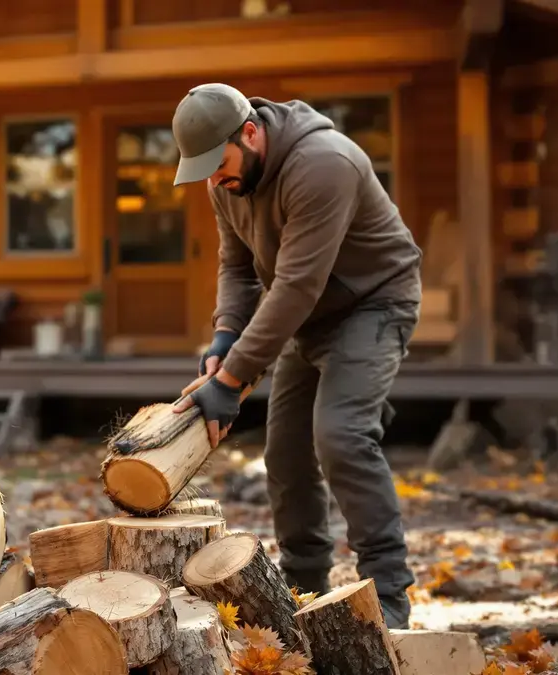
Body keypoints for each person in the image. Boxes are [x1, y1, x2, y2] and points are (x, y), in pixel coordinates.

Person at [168, 83, 422, 629]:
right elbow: (237, 268)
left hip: (372, 303)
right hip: (307, 314)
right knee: (285, 452)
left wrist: (231, 380)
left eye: (219, 164)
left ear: (250, 133)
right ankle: (306, 589)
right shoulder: (227, 182)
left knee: (342, 435)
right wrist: (225, 337)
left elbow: (297, 285)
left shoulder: (323, 164)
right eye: (205, 170)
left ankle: (390, 598)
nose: (215, 179)